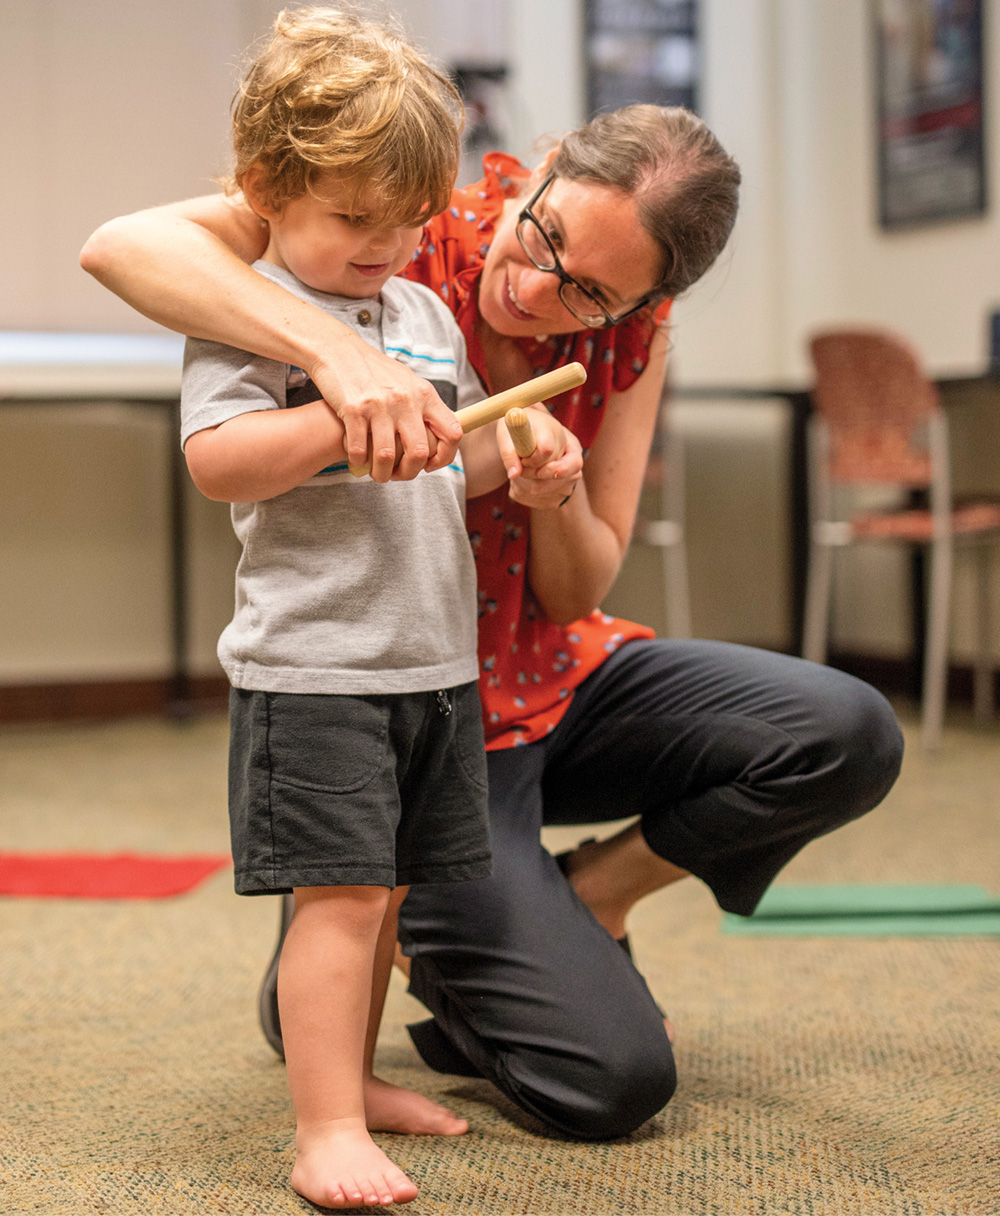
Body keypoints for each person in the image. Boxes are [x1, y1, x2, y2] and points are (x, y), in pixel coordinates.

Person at [81, 77, 905, 1141]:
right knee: (608, 1082)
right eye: (544, 236)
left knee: (843, 730)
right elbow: (122, 249)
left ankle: (584, 894)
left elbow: (574, 589)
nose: (536, 292)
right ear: (543, 166)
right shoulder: (388, 230)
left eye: (590, 294)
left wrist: (550, 496)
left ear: (645, 304)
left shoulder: (629, 341)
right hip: (403, 698)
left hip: (539, 675)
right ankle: (383, 927)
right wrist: (342, 361)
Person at [172, 9, 582, 1209]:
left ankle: (351, 1080)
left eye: (409, 219)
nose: (387, 244)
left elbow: (450, 457)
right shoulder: (247, 310)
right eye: (356, 218)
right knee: (339, 900)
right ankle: (325, 1130)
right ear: (267, 189)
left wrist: (528, 463)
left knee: (389, 897)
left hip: (427, 664)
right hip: (317, 669)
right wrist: (345, 413)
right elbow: (222, 462)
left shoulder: (421, 313)